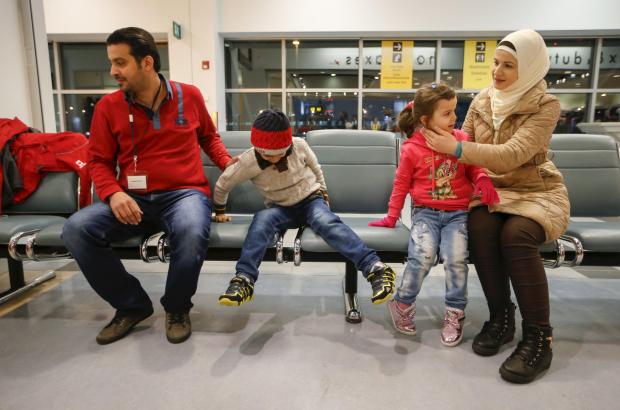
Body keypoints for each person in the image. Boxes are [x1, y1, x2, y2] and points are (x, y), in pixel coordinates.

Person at [62, 27, 235, 345]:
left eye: (120, 62)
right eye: (111, 63)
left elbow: (208, 137)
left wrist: (228, 163)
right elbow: (98, 161)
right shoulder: (108, 108)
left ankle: (177, 308)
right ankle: (131, 306)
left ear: (146, 62)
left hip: (185, 193)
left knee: (191, 229)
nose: (113, 71)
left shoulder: (189, 96)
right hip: (133, 199)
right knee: (76, 230)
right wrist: (113, 194)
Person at [424, 29, 570, 383]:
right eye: (496, 63)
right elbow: (472, 153)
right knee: (480, 227)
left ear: (531, 69)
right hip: (489, 186)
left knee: (517, 234)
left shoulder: (545, 105)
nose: (497, 72)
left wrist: (454, 149)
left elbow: (512, 155)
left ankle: (539, 338)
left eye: (509, 66)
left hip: (535, 189)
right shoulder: (482, 101)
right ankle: (501, 317)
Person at [212, 109, 396, 307]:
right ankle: (244, 279)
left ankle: (375, 268)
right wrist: (220, 211)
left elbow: (316, 169)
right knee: (261, 220)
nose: (275, 159)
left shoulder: (299, 145)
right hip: (280, 208)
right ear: (257, 148)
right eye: (268, 155)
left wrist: (324, 194)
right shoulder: (248, 161)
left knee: (328, 222)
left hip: (310, 200)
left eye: (281, 153)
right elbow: (224, 183)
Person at [369, 83, 499, 347]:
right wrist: (392, 216)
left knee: (456, 260)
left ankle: (455, 313)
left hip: (458, 215)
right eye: (447, 113)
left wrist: (483, 179)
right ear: (426, 120)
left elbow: (474, 167)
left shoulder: (460, 139)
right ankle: (402, 303)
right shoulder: (411, 149)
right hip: (425, 214)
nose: (454, 118)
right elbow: (401, 184)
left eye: (454, 111)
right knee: (422, 257)